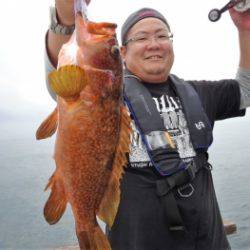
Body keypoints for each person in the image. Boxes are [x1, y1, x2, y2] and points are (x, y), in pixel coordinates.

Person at [45, 1, 250, 249]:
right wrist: (65, 16)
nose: (154, 44)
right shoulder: (103, 93)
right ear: (122, 51)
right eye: (141, 37)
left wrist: (245, 29)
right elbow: (61, 72)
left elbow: (245, 91)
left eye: (162, 35)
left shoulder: (199, 93)